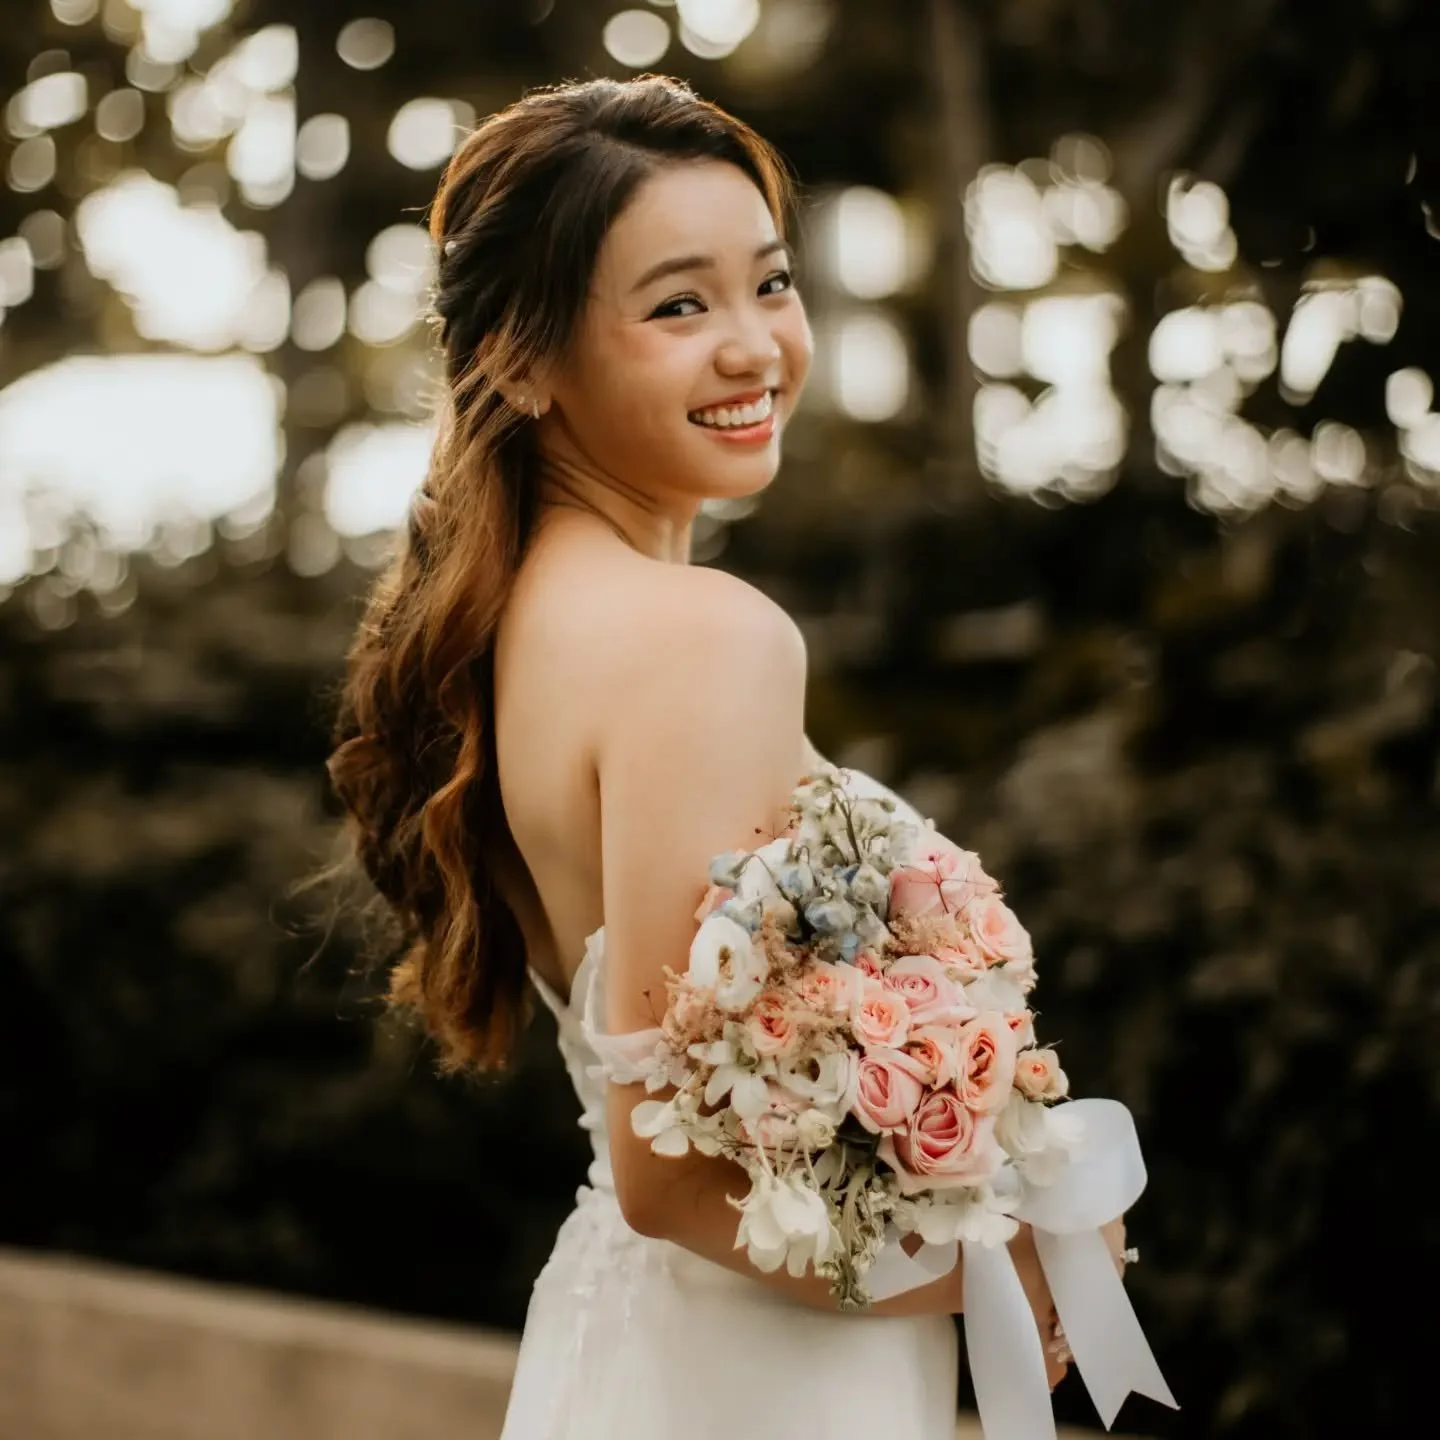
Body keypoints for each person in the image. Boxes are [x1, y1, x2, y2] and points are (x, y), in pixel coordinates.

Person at [324, 75, 1076, 1439]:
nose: (755, 348)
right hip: (758, 1381)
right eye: (679, 305)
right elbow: (672, 1170)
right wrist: (995, 1257)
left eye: (770, 285)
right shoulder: (701, 639)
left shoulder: (515, 630)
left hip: (648, 1352)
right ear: (520, 357)